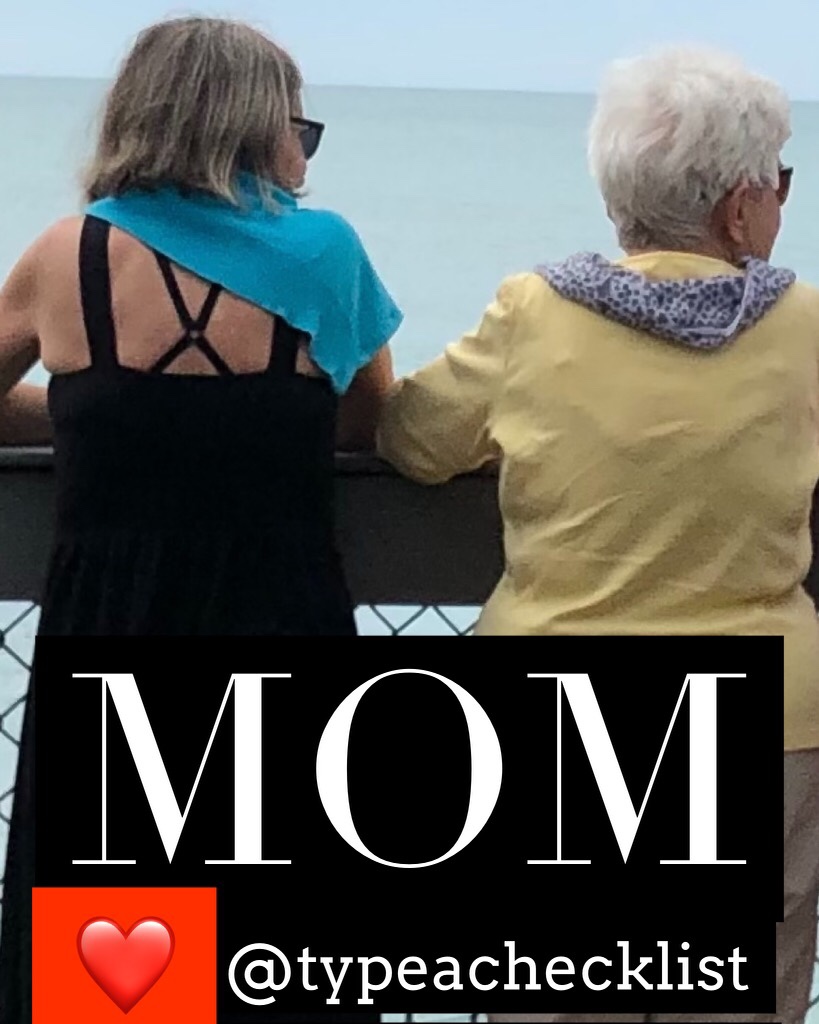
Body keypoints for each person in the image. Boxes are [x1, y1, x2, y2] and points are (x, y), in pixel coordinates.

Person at [377, 48, 819, 1024]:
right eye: (779, 181)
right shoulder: (805, 326)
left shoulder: (532, 312)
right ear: (738, 208)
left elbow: (413, 440)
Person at [0, 16, 401, 1022]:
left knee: (112, 980)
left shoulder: (70, 255)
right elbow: (366, 422)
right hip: (281, 631)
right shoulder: (324, 254)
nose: (303, 153)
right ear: (251, 129)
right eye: (297, 128)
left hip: (112, 636)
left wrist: (93, 417)